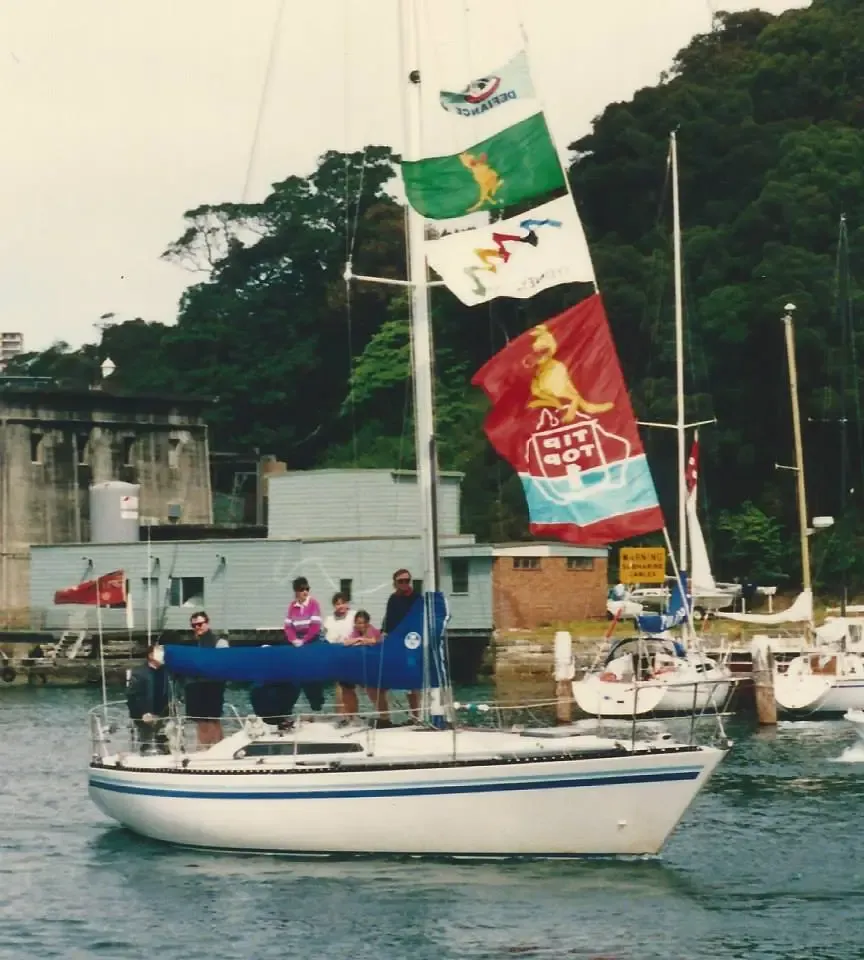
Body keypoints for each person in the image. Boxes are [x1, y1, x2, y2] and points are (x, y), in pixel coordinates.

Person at [184, 611, 229, 746]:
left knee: (212, 719)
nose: (197, 627)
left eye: (200, 624)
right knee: (201, 720)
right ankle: (206, 747)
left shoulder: (219, 642)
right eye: (194, 625)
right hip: (194, 687)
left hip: (213, 686)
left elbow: (224, 663)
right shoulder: (190, 644)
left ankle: (214, 747)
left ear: (207, 623)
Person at [283, 577, 326, 715]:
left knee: (313, 677)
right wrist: (294, 640)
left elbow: (315, 627)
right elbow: (288, 627)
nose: (305, 592)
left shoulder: (314, 604)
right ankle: (287, 709)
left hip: (312, 641)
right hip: (297, 643)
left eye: (307, 589)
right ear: (296, 591)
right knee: (295, 677)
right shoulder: (292, 606)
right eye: (302, 589)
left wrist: (304, 641)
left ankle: (317, 707)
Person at [382, 568, 421, 718]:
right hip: (396, 642)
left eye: (407, 580)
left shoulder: (417, 598)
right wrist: (384, 633)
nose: (404, 583)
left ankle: (416, 715)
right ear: (395, 583)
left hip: (412, 641)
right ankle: (385, 717)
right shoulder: (393, 599)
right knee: (388, 678)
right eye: (401, 581)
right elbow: (388, 619)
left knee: (412, 680)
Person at [126, 643, 170, 754]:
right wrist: (143, 713)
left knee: (166, 744)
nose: (164, 656)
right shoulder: (139, 673)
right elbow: (131, 696)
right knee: (148, 745)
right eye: (161, 653)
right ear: (151, 655)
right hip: (145, 716)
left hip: (164, 715)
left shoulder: (167, 672)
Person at [344, 609, 382, 719]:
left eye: (362, 623)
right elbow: (346, 642)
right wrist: (359, 639)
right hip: (359, 666)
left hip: (373, 666)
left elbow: (376, 640)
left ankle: (384, 717)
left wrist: (365, 640)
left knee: (374, 692)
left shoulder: (372, 630)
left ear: (367, 623)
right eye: (358, 623)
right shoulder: (355, 632)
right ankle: (352, 716)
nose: (360, 625)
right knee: (348, 688)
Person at [323, 591, 356, 715]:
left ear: (347, 604)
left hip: (353, 654)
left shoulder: (354, 615)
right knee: (339, 686)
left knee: (351, 688)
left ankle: (353, 715)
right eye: (337, 604)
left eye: (343, 603)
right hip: (337, 655)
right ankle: (341, 715)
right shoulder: (329, 620)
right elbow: (327, 639)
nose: (340, 606)